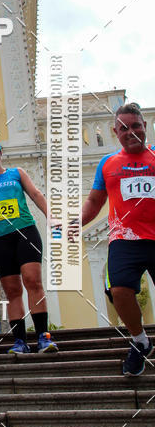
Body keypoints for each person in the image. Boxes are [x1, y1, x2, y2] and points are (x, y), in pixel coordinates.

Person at [79, 103, 155, 376]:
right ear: (115, 132)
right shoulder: (108, 163)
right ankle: (140, 341)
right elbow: (95, 200)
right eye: (124, 128)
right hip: (125, 238)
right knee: (120, 291)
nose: (131, 132)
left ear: (144, 127)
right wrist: (77, 222)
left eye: (136, 125)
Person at [0, 138, 58, 354]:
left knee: (33, 282)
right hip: (0, 239)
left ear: (1, 153)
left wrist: (51, 215)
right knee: (12, 291)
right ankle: (20, 341)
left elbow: (36, 194)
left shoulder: (16, 173)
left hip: (25, 232)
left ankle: (43, 337)